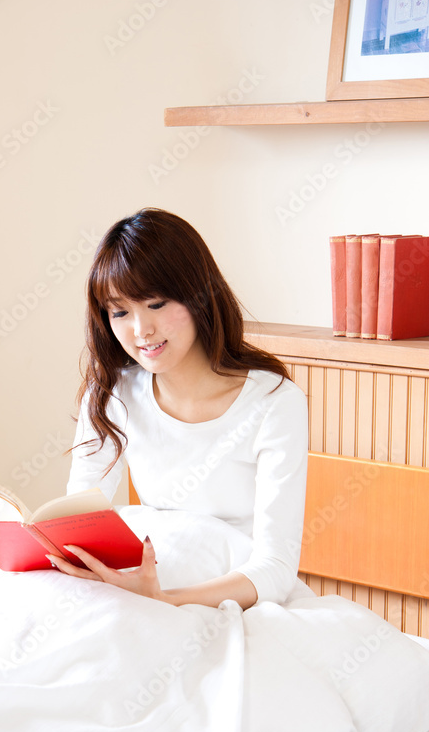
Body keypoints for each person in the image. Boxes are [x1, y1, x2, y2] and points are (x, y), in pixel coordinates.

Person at [45, 208, 309, 611]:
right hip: (141, 586)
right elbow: (79, 518)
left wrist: (166, 600)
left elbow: (275, 568)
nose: (140, 330)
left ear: (199, 293)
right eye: (120, 312)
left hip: (231, 598)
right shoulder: (113, 392)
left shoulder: (274, 403)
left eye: (155, 303)